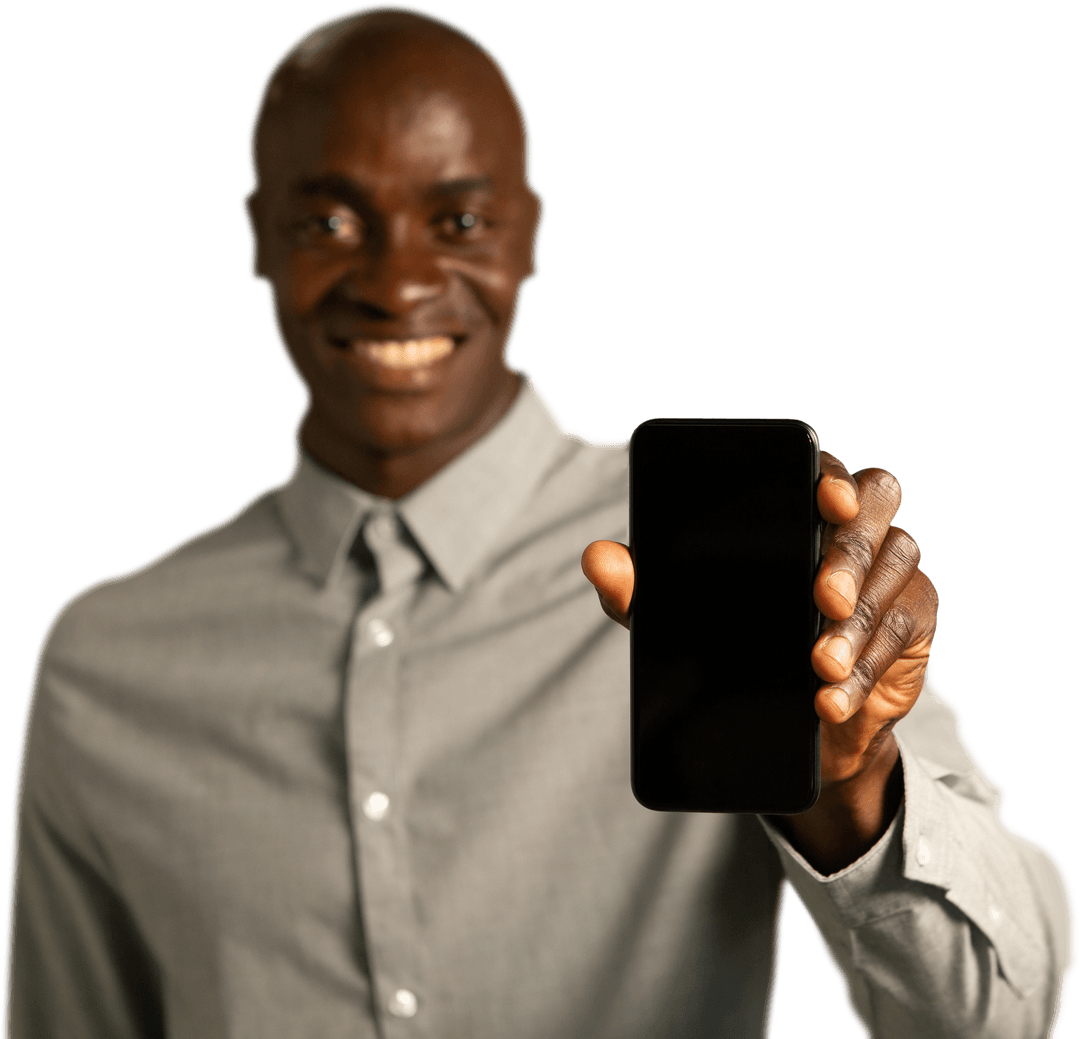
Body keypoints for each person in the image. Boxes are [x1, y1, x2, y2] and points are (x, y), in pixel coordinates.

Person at [5, 5, 1074, 1037]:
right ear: (259, 239)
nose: (396, 280)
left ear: (529, 241)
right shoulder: (104, 667)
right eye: (330, 220)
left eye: (458, 221)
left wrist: (853, 793)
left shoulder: (739, 561)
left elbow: (1002, 1017)